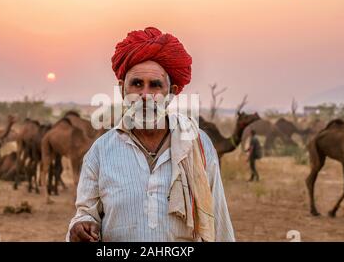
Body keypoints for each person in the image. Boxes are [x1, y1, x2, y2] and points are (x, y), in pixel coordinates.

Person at [66, 27, 235, 242]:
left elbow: (218, 222)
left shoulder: (197, 144)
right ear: (122, 89)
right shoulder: (100, 152)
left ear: (171, 93)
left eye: (155, 86)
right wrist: (80, 227)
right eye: (137, 84)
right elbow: (85, 214)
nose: (145, 96)